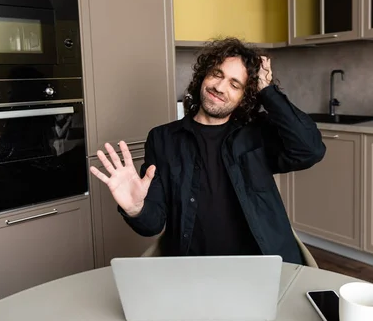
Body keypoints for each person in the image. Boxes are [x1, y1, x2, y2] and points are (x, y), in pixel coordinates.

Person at [90, 37, 326, 264]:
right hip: (192, 268)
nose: (220, 87)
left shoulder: (257, 133)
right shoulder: (163, 138)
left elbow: (310, 149)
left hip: (261, 264)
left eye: (235, 84)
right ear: (204, 75)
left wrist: (267, 90)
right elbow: (152, 225)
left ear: (245, 98)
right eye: (217, 74)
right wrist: (135, 208)